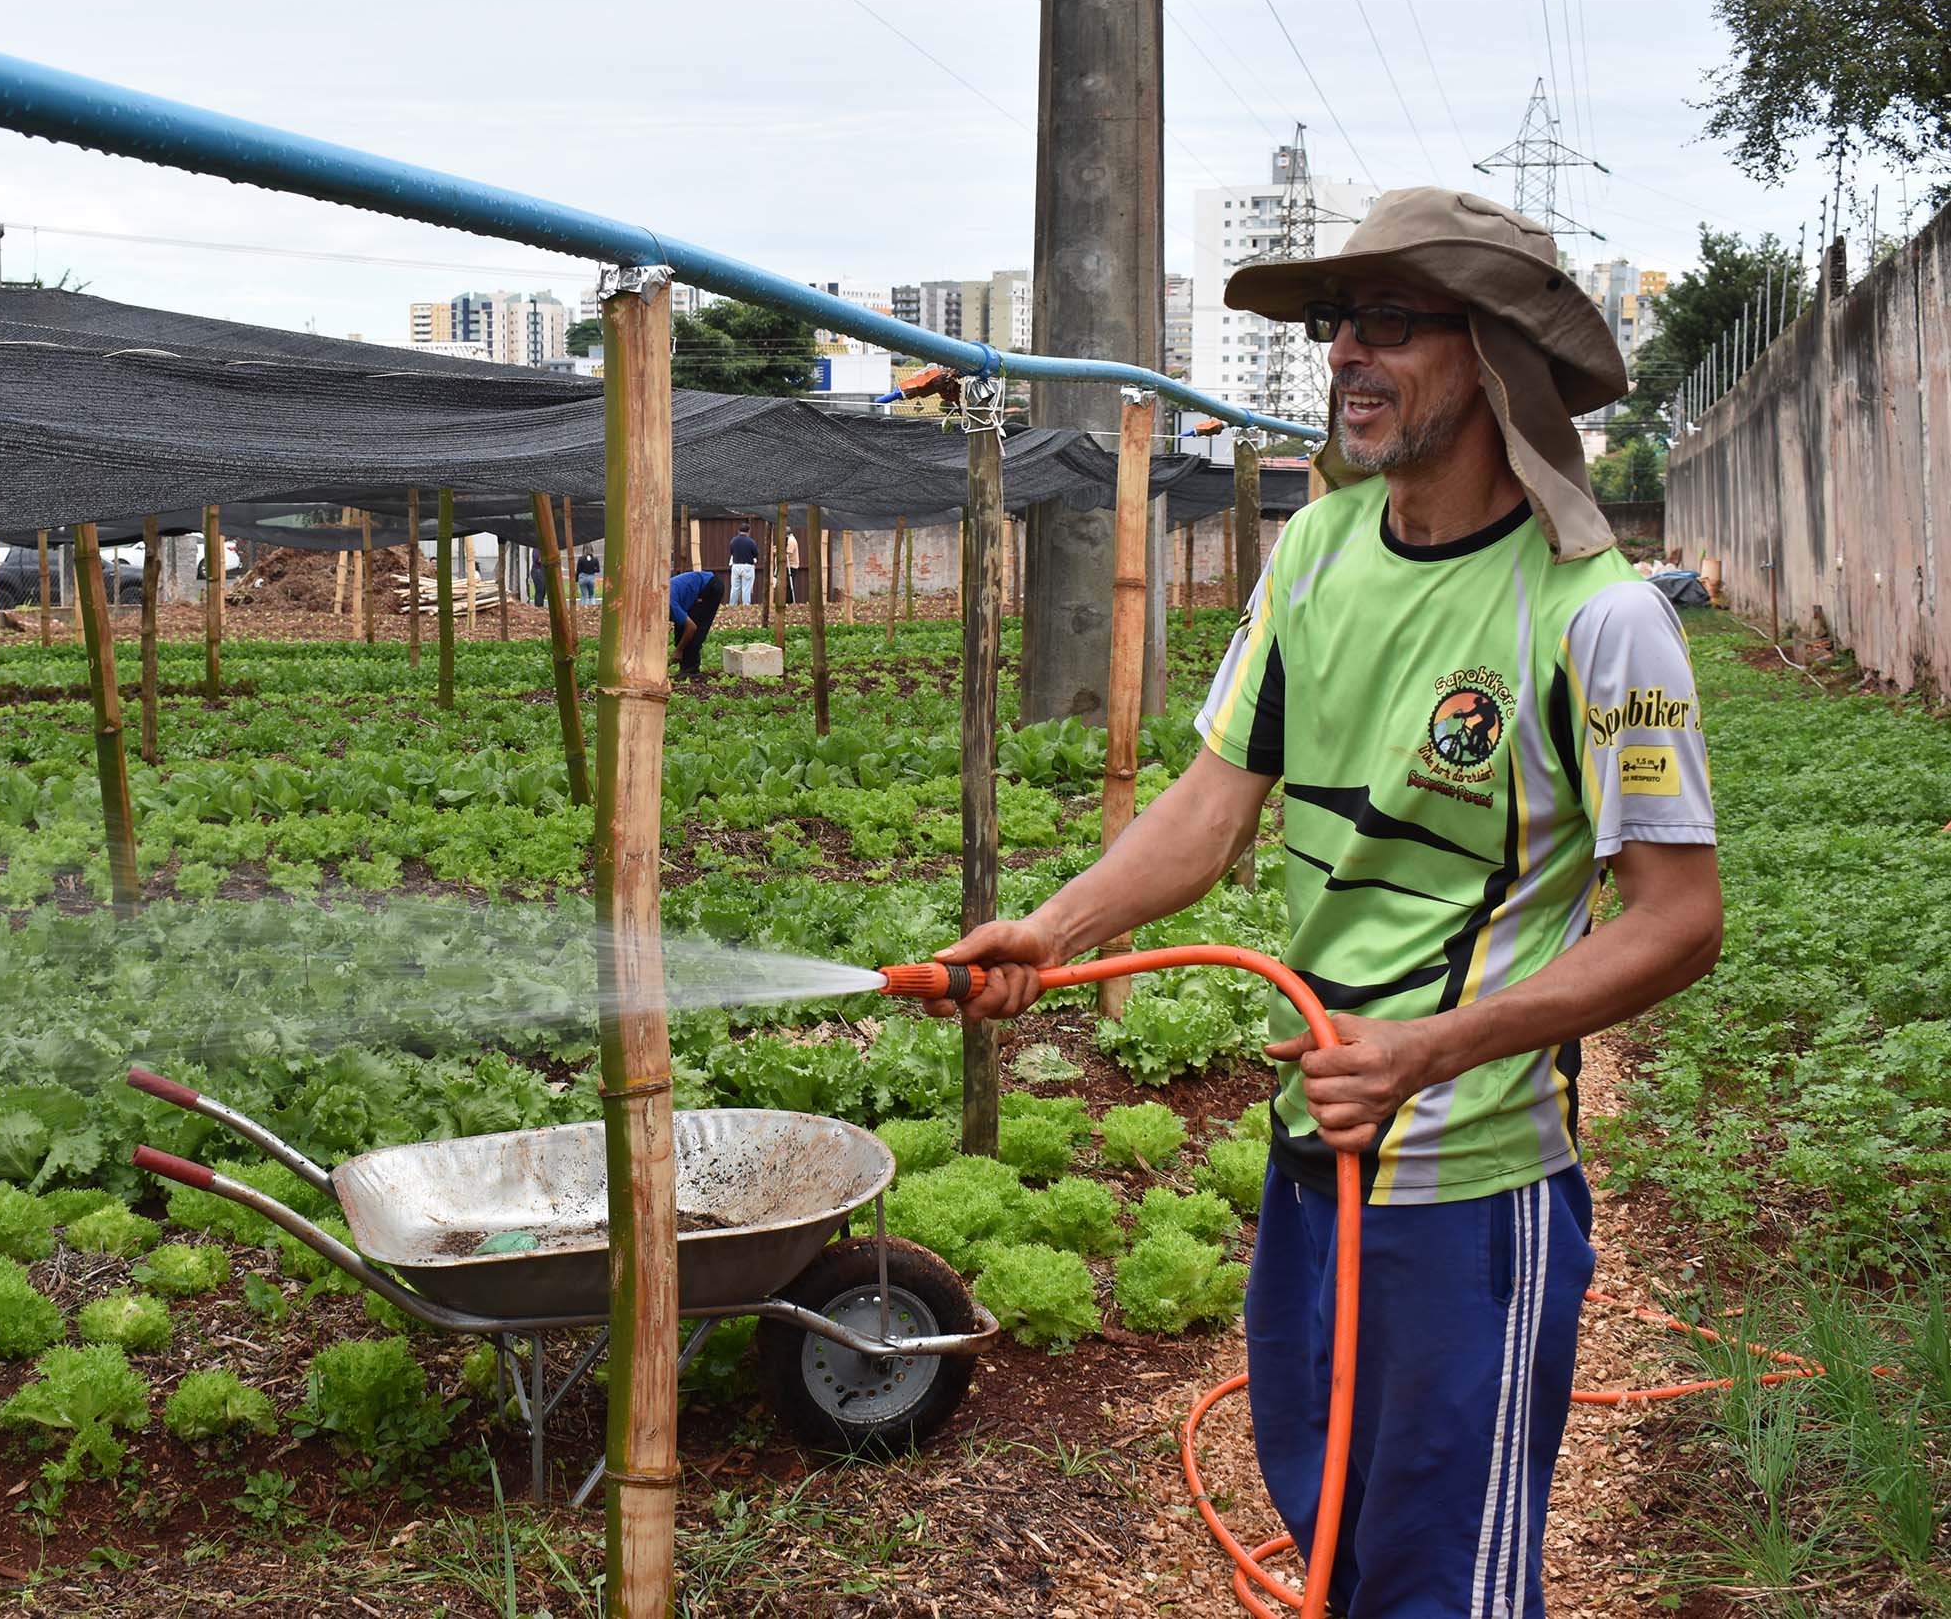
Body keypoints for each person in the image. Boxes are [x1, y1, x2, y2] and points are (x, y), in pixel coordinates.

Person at [928, 189, 1722, 1618]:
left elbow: (1677, 920)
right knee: (1341, 1537)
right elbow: (1213, 805)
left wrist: (1428, 1049)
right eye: (1336, 323)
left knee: (1443, 1585)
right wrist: (1053, 931)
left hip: (1465, 1191)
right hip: (1314, 1167)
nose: (1348, 354)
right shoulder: (1315, 555)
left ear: (1493, 357)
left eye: (1391, 322)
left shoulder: (1596, 615)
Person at [669, 568, 724, 676]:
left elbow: (691, 627)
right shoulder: (663, 601)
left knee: (695, 631)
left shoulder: (669, 604)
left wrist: (679, 650)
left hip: (710, 587)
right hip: (695, 590)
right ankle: (685, 669)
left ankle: (691, 672)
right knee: (680, 631)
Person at [728, 527, 761, 607]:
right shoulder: (751, 542)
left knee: (735, 588)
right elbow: (756, 554)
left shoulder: (733, 541)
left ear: (738, 531)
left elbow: (731, 551)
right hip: (747, 567)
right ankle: (746, 606)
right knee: (746, 588)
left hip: (736, 566)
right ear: (749, 531)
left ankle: (732, 606)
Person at [784, 525, 803, 605]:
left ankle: (789, 602)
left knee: (789, 585)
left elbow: (788, 552)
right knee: (787, 584)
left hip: (791, 566)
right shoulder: (788, 539)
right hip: (789, 565)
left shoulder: (791, 540)